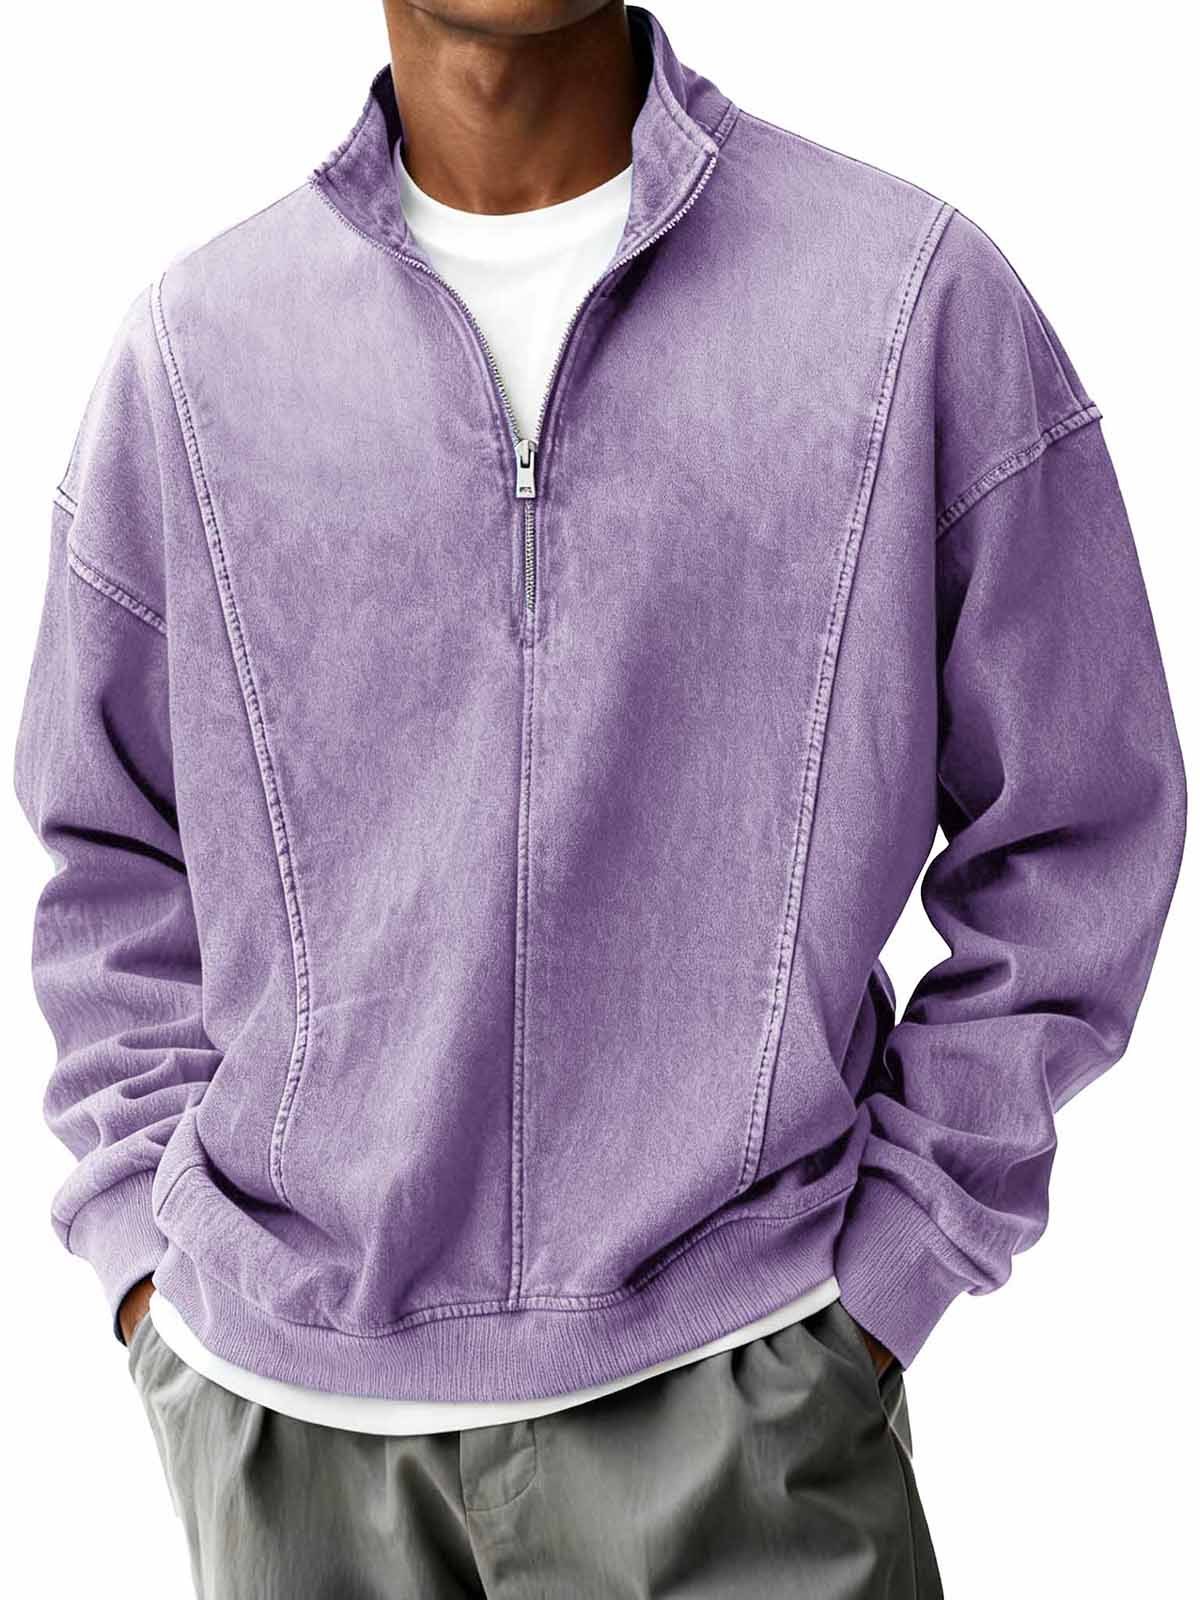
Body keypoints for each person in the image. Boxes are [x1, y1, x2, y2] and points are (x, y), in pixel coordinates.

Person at [13, 2, 1186, 1596]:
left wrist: (895, 1267)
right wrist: (149, 1277)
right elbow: (105, 860)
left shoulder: (909, 303)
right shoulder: (193, 357)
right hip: (287, 1436)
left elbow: (1082, 818)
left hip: (748, 1398)